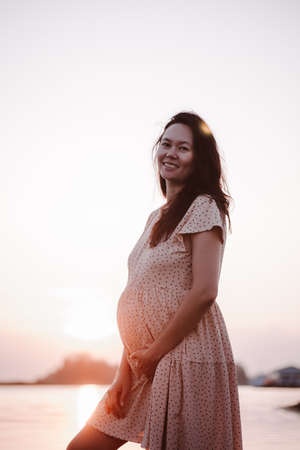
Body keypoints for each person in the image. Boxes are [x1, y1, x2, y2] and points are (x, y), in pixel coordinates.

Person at [66, 111, 243, 450]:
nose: (171, 153)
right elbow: (140, 296)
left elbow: (205, 290)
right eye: (166, 144)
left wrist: (153, 355)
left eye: (183, 148)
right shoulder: (155, 218)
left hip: (185, 356)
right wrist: (125, 373)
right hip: (143, 363)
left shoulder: (204, 207)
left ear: (199, 159)